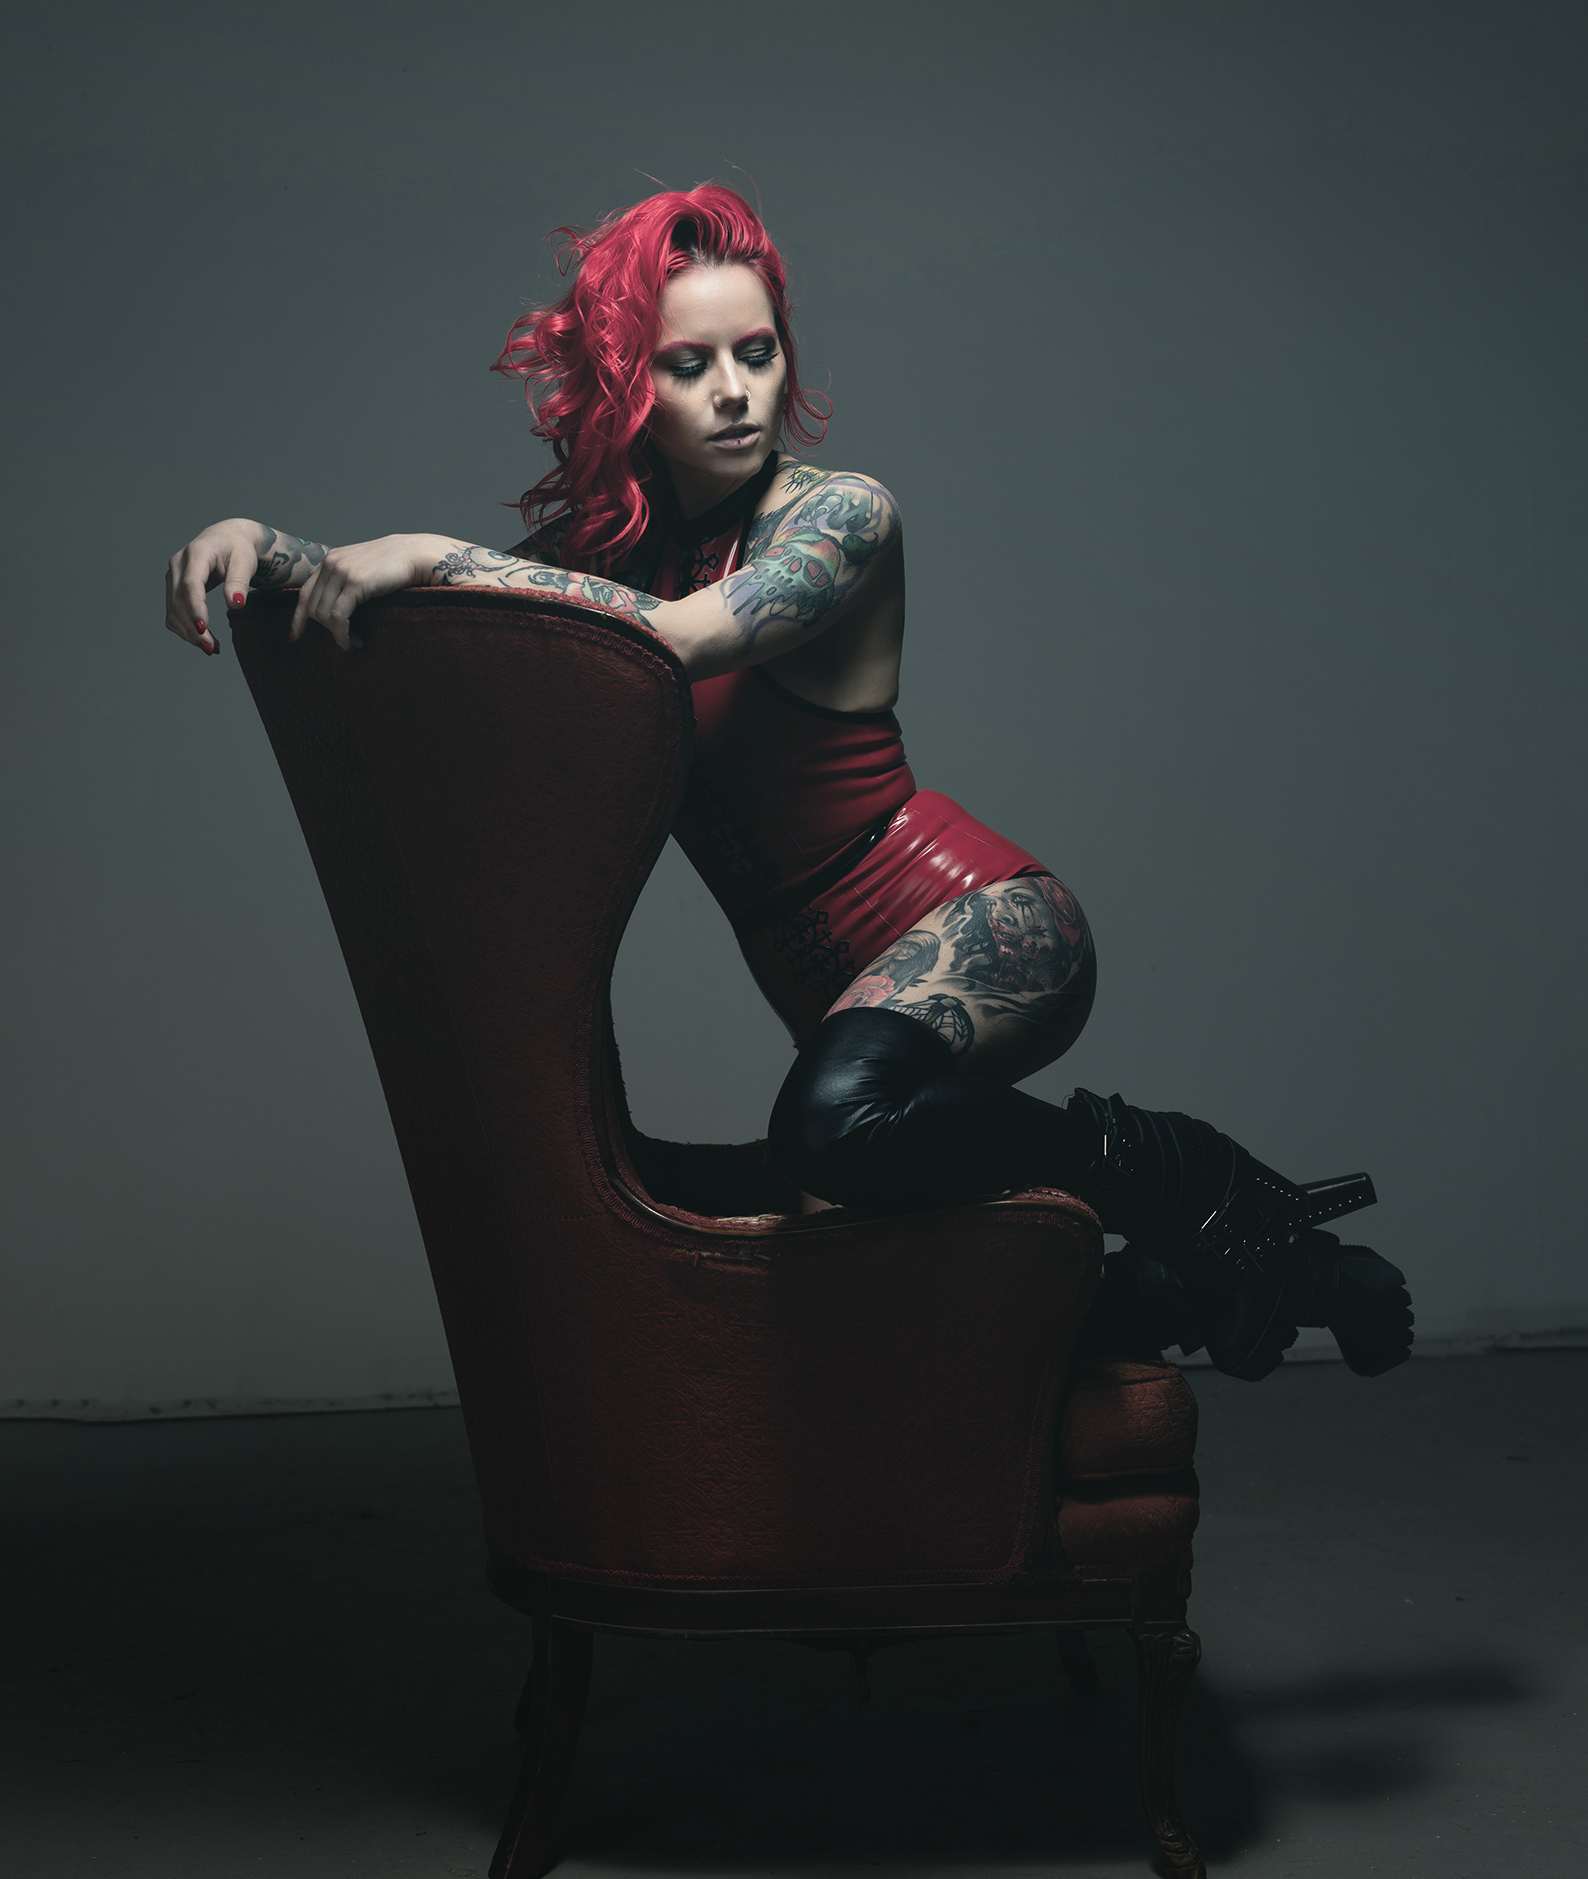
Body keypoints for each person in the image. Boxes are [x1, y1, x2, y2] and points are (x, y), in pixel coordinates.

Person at [164, 184, 1412, 1382]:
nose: (733, 390)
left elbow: (670, 640)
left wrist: (435, 551)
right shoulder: (610, 558)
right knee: (867, 1278)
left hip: (978, 920)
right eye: (687, 363)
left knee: (828, 1128)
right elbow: (447, 607)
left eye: (755, 354)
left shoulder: (843, 516)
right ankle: (1197, 1287)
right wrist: (262, 548)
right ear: (628, 384)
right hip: (821, 980)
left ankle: (1205, 1182)